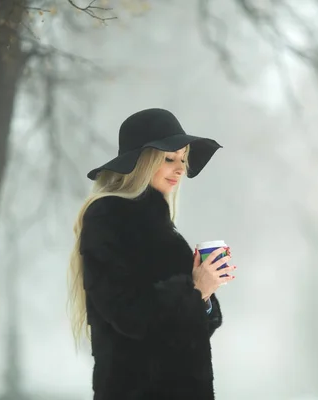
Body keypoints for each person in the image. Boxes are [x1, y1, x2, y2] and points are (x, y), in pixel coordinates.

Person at [67, 108, 236, 399]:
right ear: (140, 162)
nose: (181, 168)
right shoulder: (107, 217)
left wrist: (205, 295)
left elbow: (185, 335)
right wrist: (194, 290)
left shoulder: (162, 228)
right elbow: (128, 315)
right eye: (169, 158)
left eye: (183, 158)